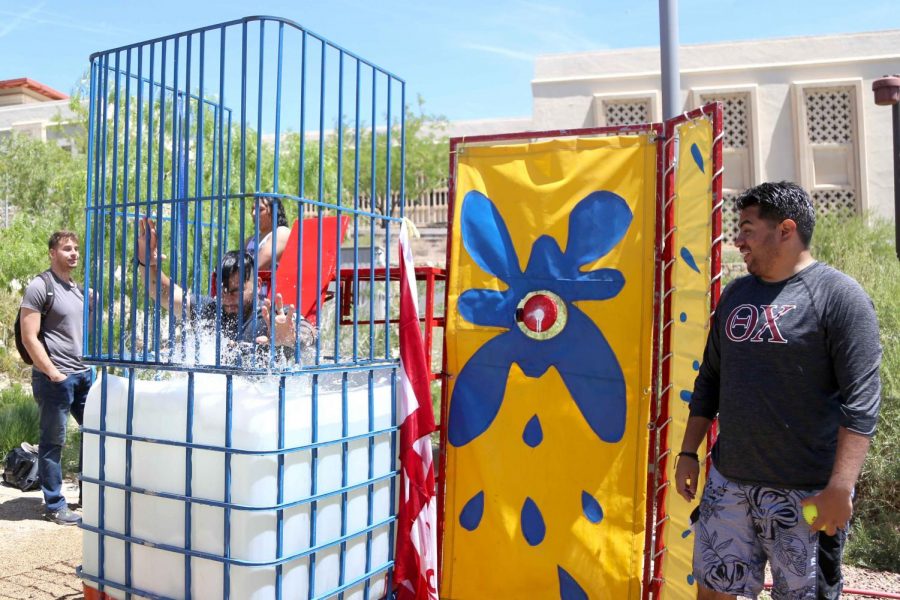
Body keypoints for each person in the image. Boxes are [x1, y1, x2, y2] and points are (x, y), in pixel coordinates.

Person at [674, 182, 882, 600]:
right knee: (714, 593)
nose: (738, 239)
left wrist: (841, 488)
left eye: (748, 228)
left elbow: (861, 402)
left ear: (785, 230)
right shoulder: (736, 295)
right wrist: (687, 452)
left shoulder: (840, 297)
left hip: (807, 493)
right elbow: (710, 379)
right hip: (729, 485)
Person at [137, 218, 315, 359]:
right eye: (223, 291)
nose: (228, 299)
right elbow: (163, 293)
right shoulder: (211, 310)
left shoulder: (270, 317)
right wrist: (146, 263)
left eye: (237, 291)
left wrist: (292, 338)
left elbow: (310, 332)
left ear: (257, 284)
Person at [19, 231, 93, 525]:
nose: (74, 253)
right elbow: (29, 337)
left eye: (76, 249)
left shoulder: (77, 289)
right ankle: (54, 504)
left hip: (84, 375)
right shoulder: (40, 286)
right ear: (52, 253)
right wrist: (53, 373)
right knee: (53, 442)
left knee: (98, 432)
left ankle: (90, 491)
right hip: (56, 379)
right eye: (66, 249)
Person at [245, 195, 291, 271]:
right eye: (252, 209)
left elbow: (258, 265)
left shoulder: (282, 232)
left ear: (274, 212)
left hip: (272, 282)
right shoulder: (250, 240)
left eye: (260, 209)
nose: (253, 213)